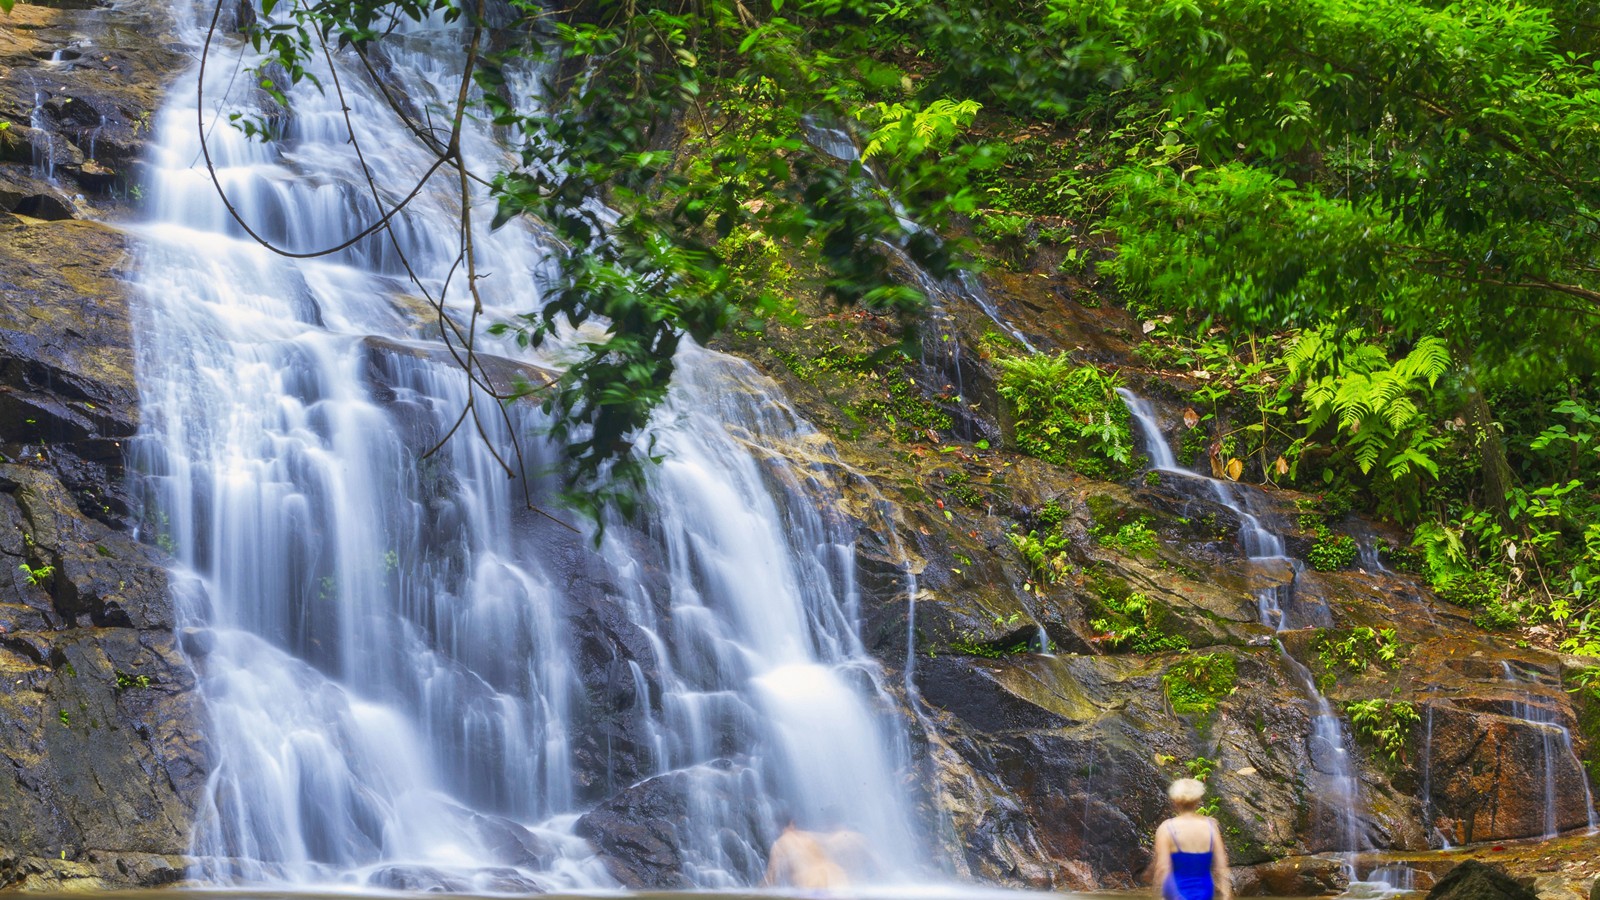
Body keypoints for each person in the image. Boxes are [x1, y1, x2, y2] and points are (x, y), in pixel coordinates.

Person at [1151, 778, 1232, 900]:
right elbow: (1221, 867)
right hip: (1204, 892)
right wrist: (1226, 895)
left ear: (1175, 801)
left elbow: (1163, 868)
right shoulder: (1211, 827)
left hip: (1176, 894)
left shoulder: (1167, 828)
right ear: (1198, 800)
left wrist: (1158, 894)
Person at [764, 819, 852, 889]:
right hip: (836, 877)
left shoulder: (780, 843)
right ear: (792, 824)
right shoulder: (808, 836)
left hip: (812, 884)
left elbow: (771, 879)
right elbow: (830, 841)